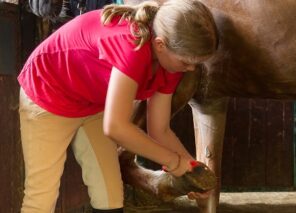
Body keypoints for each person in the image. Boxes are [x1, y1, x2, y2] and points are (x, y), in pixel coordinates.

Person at [18, 0, 219, 212]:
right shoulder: (133, 46)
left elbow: (160, 130)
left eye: (195, 64)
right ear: (160, 45)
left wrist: (190, 169)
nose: (190, 69)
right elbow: (115, 127)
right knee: (42, 194)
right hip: (48, 94)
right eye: (186, 62)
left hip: (92, 103)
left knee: (110, 196)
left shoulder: (172, 64)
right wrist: (173, 162)